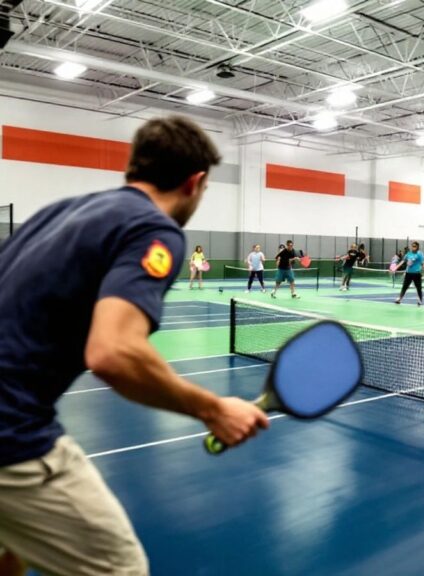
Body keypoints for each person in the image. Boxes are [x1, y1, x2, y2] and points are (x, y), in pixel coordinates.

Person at [0, 116, 270, 576]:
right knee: (121, 570)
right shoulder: (154, 230)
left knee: (13, 555)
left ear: (134, 168)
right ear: (195, 182)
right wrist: (214, 409)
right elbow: (113, 353)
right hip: (10, 433)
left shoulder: (59, 212)